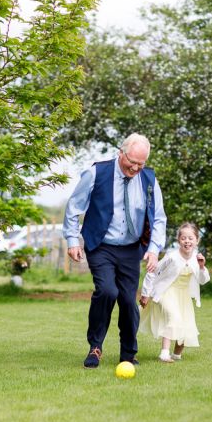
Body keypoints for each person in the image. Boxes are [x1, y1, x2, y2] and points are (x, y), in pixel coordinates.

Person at [63, 133, 167, 368]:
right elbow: (74, 207)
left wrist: (153, 249)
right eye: (132, 162)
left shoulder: (149, 180)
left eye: (141, 164)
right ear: (121, 153)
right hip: (101, 245)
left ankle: (128, 353)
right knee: (108, 291)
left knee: (129, 301)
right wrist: (71, 240)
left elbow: (159, 218)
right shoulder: (96, 173)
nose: (136, 168)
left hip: (131, 248)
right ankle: (95, 347)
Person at [139, 222, 210, 363]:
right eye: (183, 238)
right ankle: (164, 354)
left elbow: (203, 280)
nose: (187, 241)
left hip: (184, 296)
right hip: (167, 292)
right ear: (179, 240)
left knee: (186, 325)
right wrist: (146, 293)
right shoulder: (172, 256)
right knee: (174, 317)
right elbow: (153, 271)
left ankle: (176, 355)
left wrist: (202, 267)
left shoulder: (197, 259)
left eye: (190, 238)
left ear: (197, 240)